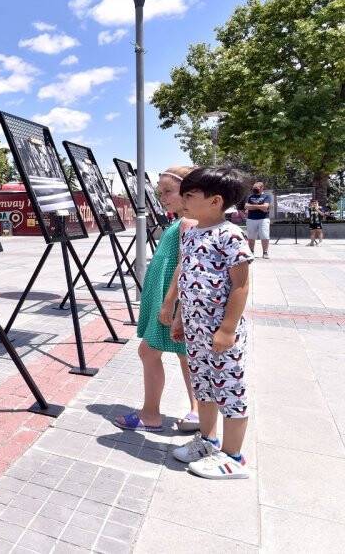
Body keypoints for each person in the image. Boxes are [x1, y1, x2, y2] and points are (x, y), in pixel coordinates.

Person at [169, 167, 253, 479]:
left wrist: (228, 329)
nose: (183, 200)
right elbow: (187, 280)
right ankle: (207, 441)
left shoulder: (230, 235)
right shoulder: (191, 233)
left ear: (215, 201)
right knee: (203, 387)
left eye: (189, 195)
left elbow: (241, 285)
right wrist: (180, 317)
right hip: (195, 330)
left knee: (230, 389)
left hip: (220, 332)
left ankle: (233, 457)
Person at [115, 166, 199, 433]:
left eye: (168, 191)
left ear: (189, 191)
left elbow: (185, 266)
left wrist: (171, 305)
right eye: (160, 192)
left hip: (171, 300)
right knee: (185, 355)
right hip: (172, 300)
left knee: (148, 351)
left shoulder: (187, 222)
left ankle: (151, 414)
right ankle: (197, 412)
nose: (162, 198)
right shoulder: (183, 220)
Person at [243, 181, 271, 258]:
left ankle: (265, 252)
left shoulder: (267, 196)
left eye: (256, 188)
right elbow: (246, 206)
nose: (254, 189)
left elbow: (265, 207)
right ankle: (251, 252)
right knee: (251, 236)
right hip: (251, 219)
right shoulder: (249, 196)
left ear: (262, 188)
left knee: (264, 236)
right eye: (253, 188)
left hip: (263, 219)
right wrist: (260, 206)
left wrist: (252, 206)